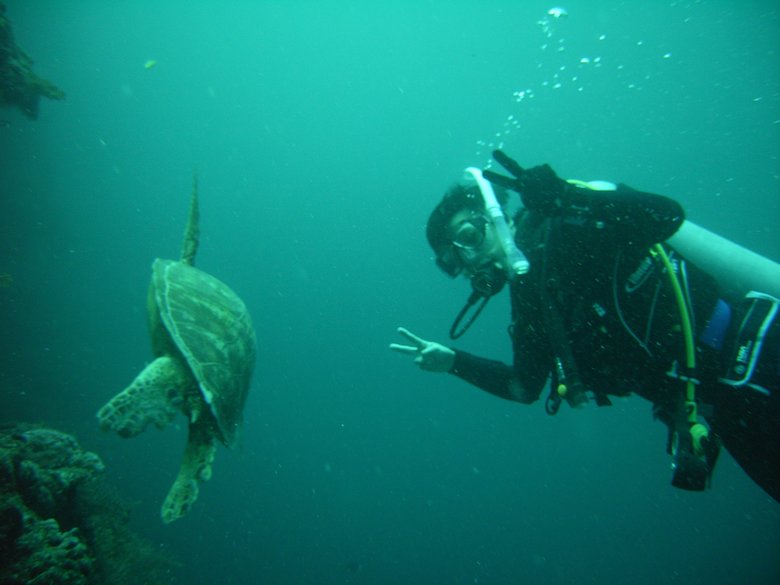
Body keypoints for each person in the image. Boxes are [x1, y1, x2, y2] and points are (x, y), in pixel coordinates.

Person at [390, 149, 780, 502]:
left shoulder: (568, 224)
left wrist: (570, 198)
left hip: (756, 351)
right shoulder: (531, 300)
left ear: (494, 217)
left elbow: (667, 215)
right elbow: (524, 386)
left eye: (468, 238)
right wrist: (453, 361)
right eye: (452, 262)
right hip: (720, 409)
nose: (468, 261)